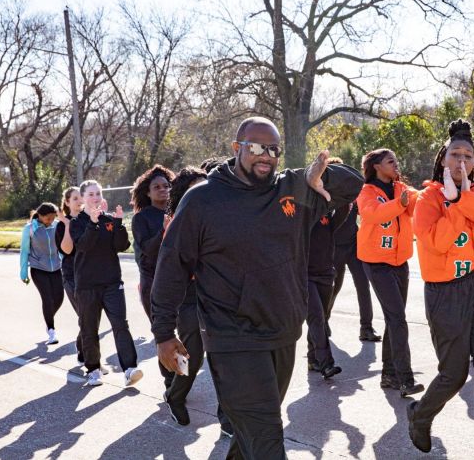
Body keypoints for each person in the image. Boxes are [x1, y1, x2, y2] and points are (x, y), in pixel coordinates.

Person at [151, 117, 363, 459]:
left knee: (252, 435)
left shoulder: (292, 188)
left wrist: (314, 175)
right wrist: (163, 332)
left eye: (274, 149)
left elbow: (353, 183)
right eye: (256, 147)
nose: (266, 155)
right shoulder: (202, 201)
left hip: (282, 335)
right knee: (266, 441)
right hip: (232, 340)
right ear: (236, 149)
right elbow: (172, 266)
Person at [406, 119, 474, 458]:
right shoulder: (427, 199)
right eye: (455, 154)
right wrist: (451, 205)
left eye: (468, 155)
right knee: (453, 375)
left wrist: (462, 198)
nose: (462, 161)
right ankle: (420, 416)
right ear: (443, 160)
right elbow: (436, 242)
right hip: (445, 293)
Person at [160, 166, 232, 435]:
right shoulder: (176, 223)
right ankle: (175, 395)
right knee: (192, 356)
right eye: (196, 188)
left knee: (222, 358)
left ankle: (227, 419)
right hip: (188, 299)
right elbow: (173, 272)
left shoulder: (221, 216)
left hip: (216, 297)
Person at [356, 148, 423, 397]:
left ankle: (388, 374)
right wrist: (400, 203)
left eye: (396, 160)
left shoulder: (401, 188)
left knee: (394, 319)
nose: (396, 164)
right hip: (376, 263)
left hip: (399, 262)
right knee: (397, 319)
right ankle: (405, 378)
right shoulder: (365, 192)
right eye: (390, 161)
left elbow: (418, 202)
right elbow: (372, 214)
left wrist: (436, 189)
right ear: (376, 166)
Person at [70, 179, 143, 388]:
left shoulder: (109, 220)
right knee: (89, 328)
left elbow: (121, 246)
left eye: (98, 194)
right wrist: (92, 223)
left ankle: (129, 369)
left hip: (112, 282)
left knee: (120, 324)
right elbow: (83, 246)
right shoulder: (77, 223)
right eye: (91, 194)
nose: (95, 198)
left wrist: (119, 223)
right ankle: (93, 369)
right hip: (87, 285)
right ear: (83, 198)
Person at [325, 159, 381, 343]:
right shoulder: (326, 196)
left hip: (354, 246)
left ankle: (366, 328)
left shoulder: (354, 193)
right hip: (333, 248)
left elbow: (366, 212)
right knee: (334, 288)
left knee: (363, 285)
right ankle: (323, 322)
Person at [306, 202, 350, 379]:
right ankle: (326, 364)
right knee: (316, 317)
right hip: (304, 276)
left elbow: (344, 206)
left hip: (325, 275)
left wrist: (340, 191)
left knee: (320, 318)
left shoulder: (329, 219)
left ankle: (313, 358)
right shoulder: (300, 218)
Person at [131, 164, 175, 320]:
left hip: (178, 280)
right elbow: (148, 250)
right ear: (148, 193)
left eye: (166, 186)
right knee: (163, 335)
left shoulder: (179, 212)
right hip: (153, 282)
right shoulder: (141, 218)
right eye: (156, 187)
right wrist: (163, 230)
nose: (163, 189)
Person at [19, 202, 64, 345]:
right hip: (38, 268)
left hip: (56, 267)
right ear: (40, 216)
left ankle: (48, 318)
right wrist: (23, 272)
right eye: (48, 218)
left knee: (59, 298)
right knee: (47, 298)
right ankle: (51, 331)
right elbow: (24, 251)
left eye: (53, 218)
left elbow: (62, 246)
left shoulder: (57, 225)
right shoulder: (30, 229)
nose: (51, 221)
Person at [56, 187, 85, 364]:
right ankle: (88, 355)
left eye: (81, 197)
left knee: (91, 317)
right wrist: (67, 225)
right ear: (67, 202)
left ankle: (82, 347)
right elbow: (66, 250)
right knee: (85, 315)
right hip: (72, 276)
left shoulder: (89, 219)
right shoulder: (61, 225)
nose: (80, 200)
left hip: (90, 274)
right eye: (75, 198)